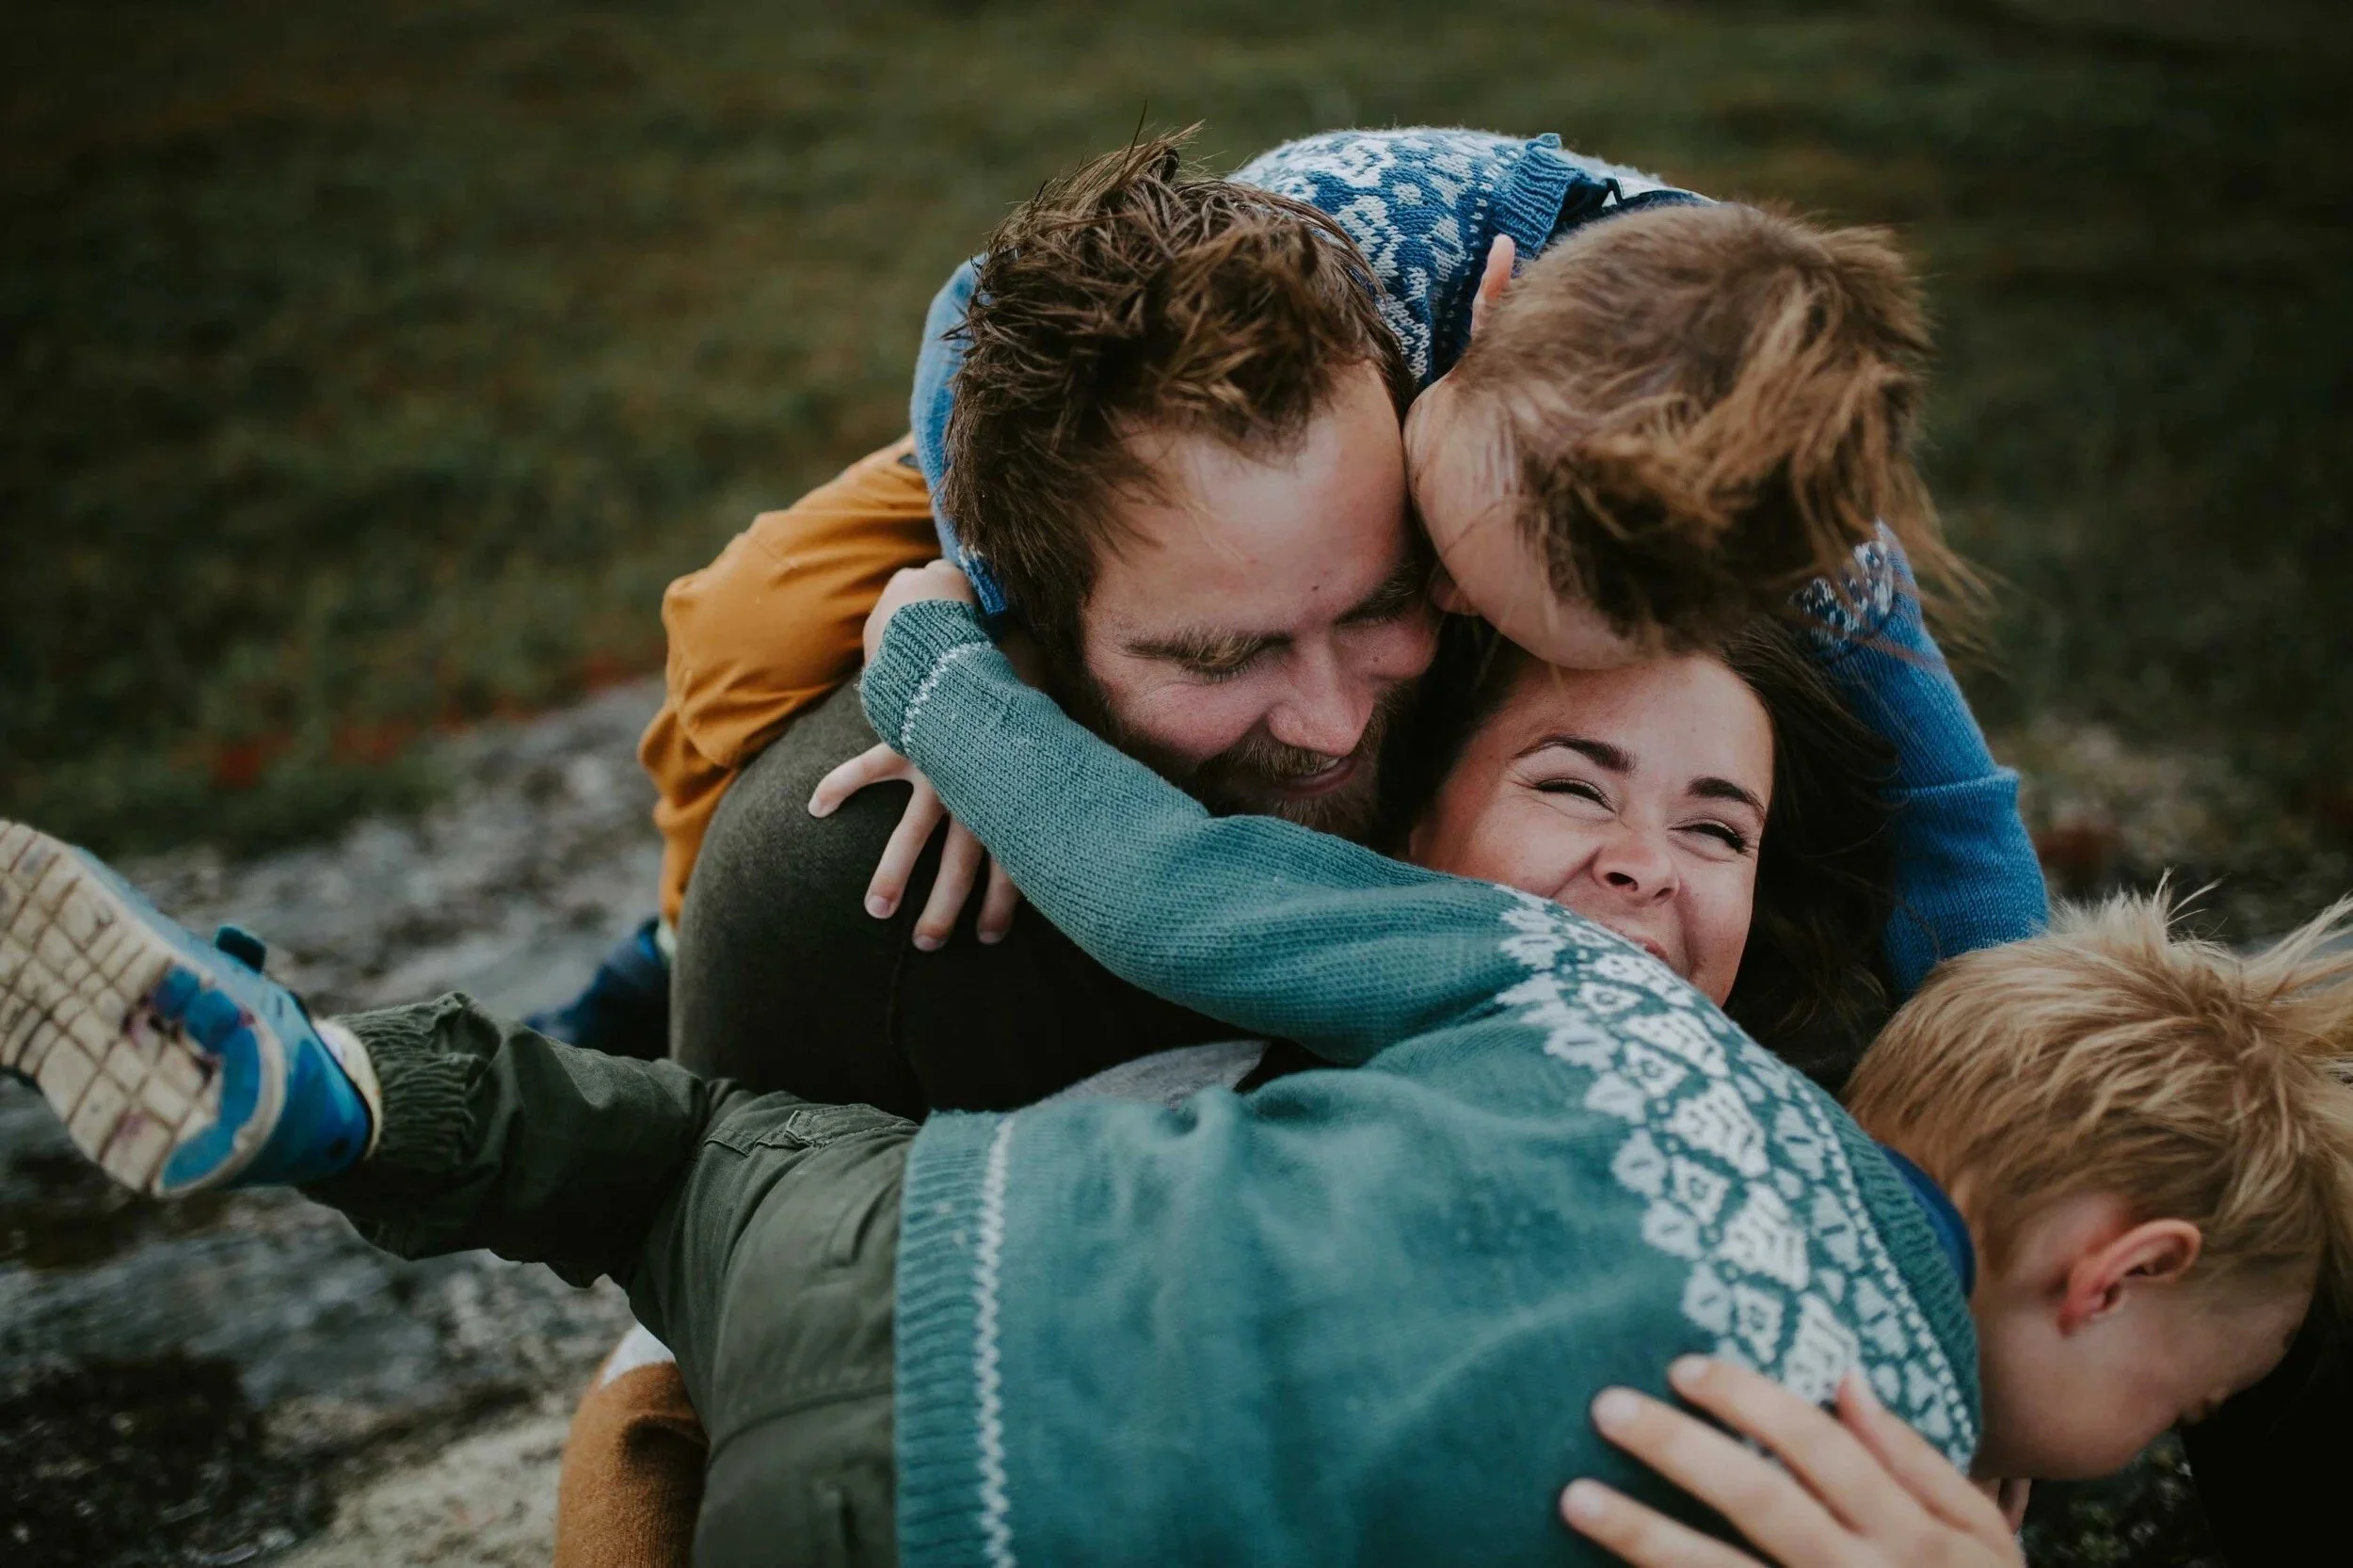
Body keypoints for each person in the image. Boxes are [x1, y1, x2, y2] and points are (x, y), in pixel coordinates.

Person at [0, 559, 2337, 1562]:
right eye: (2188, 1402)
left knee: (652, 1151)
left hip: (917, 1250)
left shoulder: (1601, 1006)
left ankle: (314, 1084)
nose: (1641, 864)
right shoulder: (1859, 1474)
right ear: (2108, 1273)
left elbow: (1173, 895)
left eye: (1705, 823)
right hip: (985, 1529)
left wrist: (934, 677)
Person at [543, 126, 1984, 1080]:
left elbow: (1954, 805)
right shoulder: (1371, 232)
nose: (1329, 713)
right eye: (1222, 655)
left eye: (1395, 603)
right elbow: (977, 314)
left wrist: (2014, 1049)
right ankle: (663, 956)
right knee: (752, 609)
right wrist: (989, 643)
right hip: (1150, 424)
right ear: (1478, 320)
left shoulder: (1753, 517)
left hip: (1350, 463)